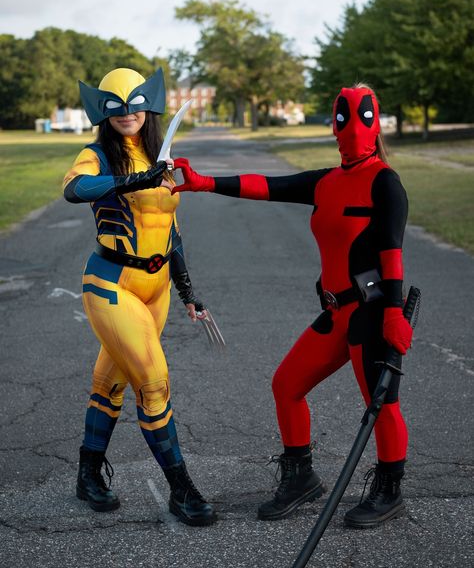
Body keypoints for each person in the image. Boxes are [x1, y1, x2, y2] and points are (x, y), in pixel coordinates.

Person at [170, 84, 413, 528]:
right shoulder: (328, 180)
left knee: (380, 404)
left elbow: (392, 252)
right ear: (332, 125)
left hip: (371, 312)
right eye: (341, 120)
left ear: (374, 125)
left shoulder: (385, 182)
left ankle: (389, 490)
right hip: (335, 312)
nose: (350, 131)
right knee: (286, 385)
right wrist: (205, 183)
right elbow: (268, 185)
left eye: (360, 119)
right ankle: (301, 478)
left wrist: (394, 311)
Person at [63, 67, 217, 527]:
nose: (127, 114)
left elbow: (172, 230)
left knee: (110, 383)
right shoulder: (97, 155)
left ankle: (88, 476)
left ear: (148, 106)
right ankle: (182, 491)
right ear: (103, 111)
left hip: (158, 287)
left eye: (134, 105)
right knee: (153, 382)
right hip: (111, 284)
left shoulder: (161, 156)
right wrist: (137, 180)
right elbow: (74, 189)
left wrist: (188, 289)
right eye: (116, 107)